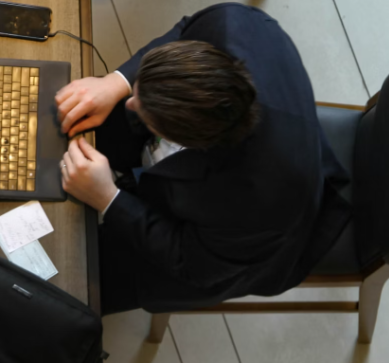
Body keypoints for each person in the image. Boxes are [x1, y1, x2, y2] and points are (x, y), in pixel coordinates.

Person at [56, 3, 351, 315]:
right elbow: (183, 31)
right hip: (250, 150)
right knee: (72, 122)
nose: (130, 103)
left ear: (184, 141)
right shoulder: (229, 24)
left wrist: (108, 198)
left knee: (69, 289)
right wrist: (116, 82)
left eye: (144, 110)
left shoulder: (258, 201)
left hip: (226, 249)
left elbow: (192, 263)